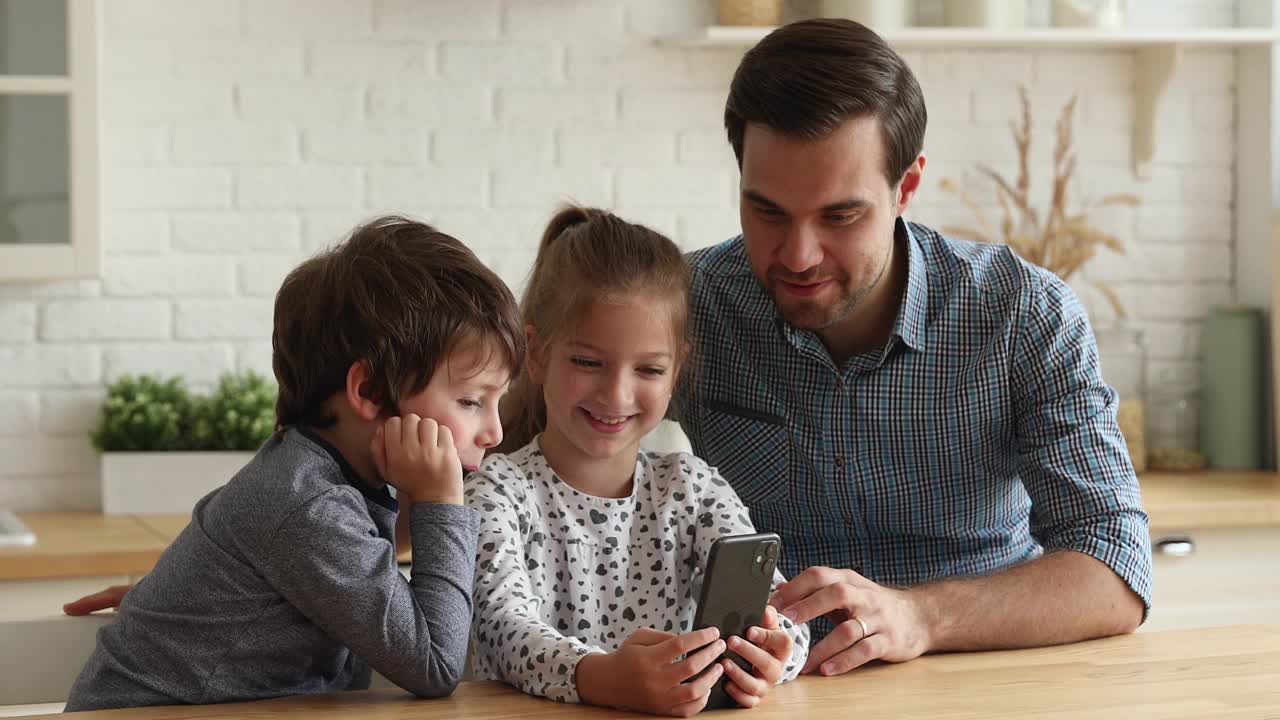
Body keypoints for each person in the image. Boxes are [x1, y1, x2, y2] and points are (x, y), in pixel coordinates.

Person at [674, 18, 1151, 677]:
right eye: (768, 212)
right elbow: (531, 456)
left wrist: (920, 616)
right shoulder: (689, 303)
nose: (798, 255)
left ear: (907, 187)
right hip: (773, 691)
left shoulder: (1022, 314)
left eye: (840, 215)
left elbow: (1116, 569)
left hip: (981, 682)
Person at [63, 216, 524, 711]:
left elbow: (374, 561)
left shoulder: (322, 468)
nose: (494, 432)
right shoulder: (309, 504)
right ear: (367, 391)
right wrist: (439, 500)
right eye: (472, 401)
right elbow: (434, 664)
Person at [466, 207, 809, 716]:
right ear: (535, 354)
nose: (616, 393)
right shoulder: (496, 492)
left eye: (649, 368)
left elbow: (782, 609)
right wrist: (601, 678)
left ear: (677, 371)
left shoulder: (693, 490)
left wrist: (773, 654)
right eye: (588, 362)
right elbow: (501, 628)